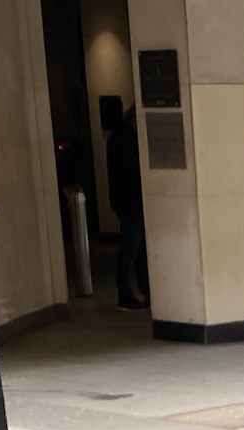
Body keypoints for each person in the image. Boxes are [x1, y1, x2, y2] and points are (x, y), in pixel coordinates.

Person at [101, 97, 148, 311]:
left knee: (134, 247)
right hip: (131, 201)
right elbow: (131, 171)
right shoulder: (127, 138)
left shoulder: (117, 136)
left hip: (125, 200)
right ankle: (127, 292)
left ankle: (140, 290)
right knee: (131, 248)